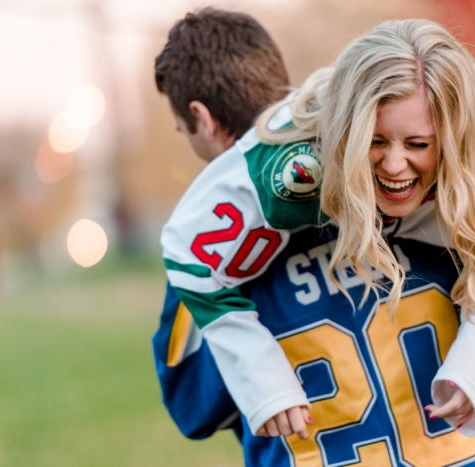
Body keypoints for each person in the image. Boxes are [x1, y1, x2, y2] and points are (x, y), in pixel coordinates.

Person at [156, 18, 475, 466]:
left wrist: (259, 371)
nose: (394, 166)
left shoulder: (219, 247)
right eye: (374, 142)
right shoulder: (457, 215)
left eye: (416, 143)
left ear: (202, 119)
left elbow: (193, 408)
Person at [152, 7, 289, 439]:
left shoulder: (200, 246)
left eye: (183, 130)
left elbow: (191, 405)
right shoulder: (390, 174)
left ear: (204, 119)